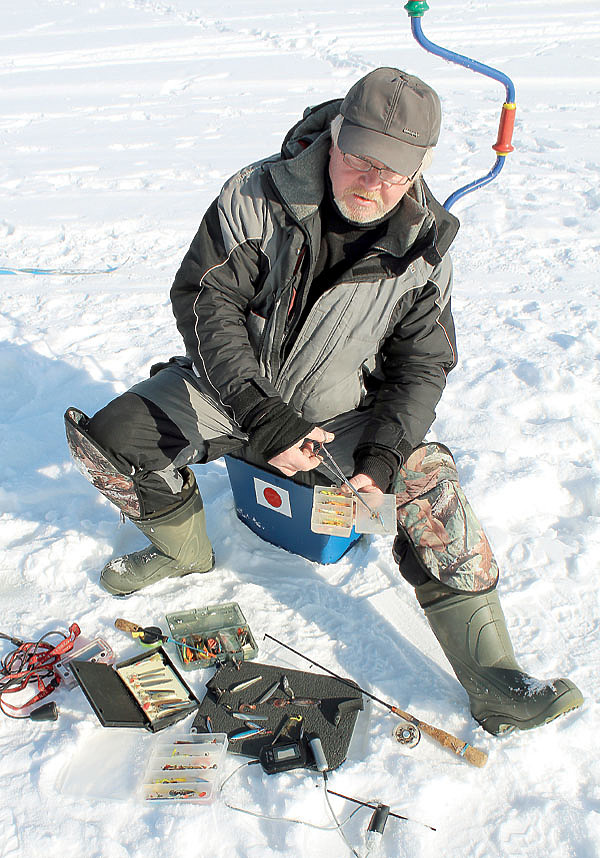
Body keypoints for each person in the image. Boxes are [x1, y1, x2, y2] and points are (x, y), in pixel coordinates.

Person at [65, 67, 583, 736]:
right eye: (362, 160)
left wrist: (385, 456)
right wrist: (264, 415)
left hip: (339, 416)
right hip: (235, 390)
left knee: (428, 479)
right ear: (334, 135)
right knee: (113, 437)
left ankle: (495, 682)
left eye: (395, 173)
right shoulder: (257, 195)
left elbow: (422, 363)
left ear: (421, 167)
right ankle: (183, 551)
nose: (375, 182)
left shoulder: (425, 246)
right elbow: (206, 301)